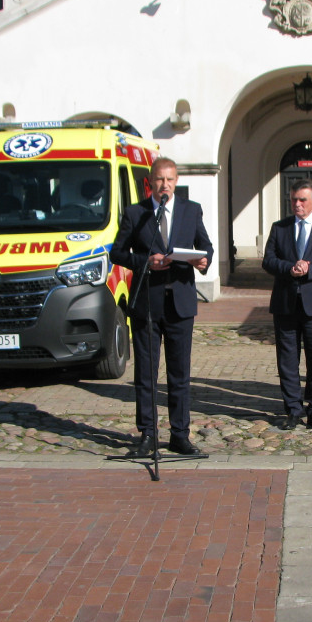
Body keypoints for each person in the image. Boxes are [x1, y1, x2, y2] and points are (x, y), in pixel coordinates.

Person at [110, 157, 213, 455]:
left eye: (169, 180)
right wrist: (145, 262)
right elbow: (117, 252)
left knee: (179, 373)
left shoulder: (190, 210)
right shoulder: (136, 213)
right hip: (147, 303)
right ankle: (148, 434)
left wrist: (203, 261)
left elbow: (205, 246)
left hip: (180, 302)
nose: (164, 185)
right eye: (159, 180)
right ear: (150, 182)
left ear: (176, 181)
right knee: (146, 372)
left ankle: (180, 434)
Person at [262, 180, 312, 430]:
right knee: (287, 360)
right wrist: (289, 268)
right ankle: (293, 409)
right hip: (286, 303)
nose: (297, 204)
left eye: (302, 200)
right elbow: (268, 260)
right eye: (294, 199)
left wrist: (310, 269)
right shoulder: (280, 228)